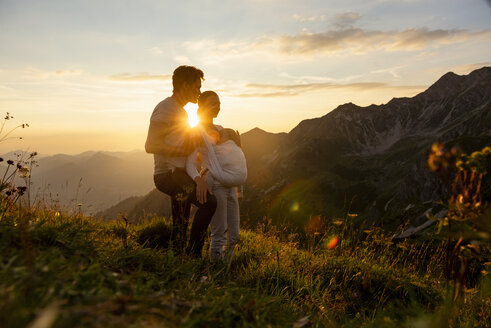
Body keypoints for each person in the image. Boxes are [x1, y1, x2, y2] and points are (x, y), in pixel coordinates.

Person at [145, 66, 217, 257]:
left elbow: (179, 146)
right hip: (169, 175)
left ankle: (177, 258)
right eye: (196, 87)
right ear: (184, 85)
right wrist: (185, 148)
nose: (199, 92)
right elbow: (150, 144)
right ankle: (193, 256)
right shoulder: (166, 108)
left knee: (181, 222)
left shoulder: (180, 111)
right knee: (209, 203)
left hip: (179, 173)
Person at [186, 91, 245, 263]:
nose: (218, 106)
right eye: (213, 103)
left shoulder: (221, 129)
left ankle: (225, 269)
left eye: (219, 103)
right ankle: (215, 271)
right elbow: (190, 163)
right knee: (219, 234)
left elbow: (230, 157)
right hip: (216, 185)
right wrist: (199, 181)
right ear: (202, 107)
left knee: (234, 235)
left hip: (230, 184)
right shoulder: (196, 131)